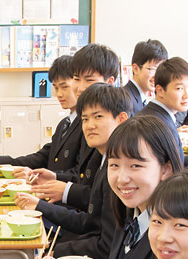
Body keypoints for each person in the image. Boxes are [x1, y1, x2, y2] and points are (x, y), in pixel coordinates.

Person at [32, 115, 183, 259]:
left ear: (166, 169)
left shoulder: (171, 238)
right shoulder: (130, 219)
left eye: (136, 166)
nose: (122, 178)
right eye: (114, 165)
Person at [16, 83, 130, 259]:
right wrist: (38, 205)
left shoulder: (119, 170)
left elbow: (106, 244)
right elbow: (90, 222)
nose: (90, 125)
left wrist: (57, 253)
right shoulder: (101, 159)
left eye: (98, 117)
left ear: (121, 119)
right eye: (85, 119)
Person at [26, 43, 121, 206]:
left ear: (110, 81)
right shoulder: (74, 121)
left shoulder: (112, 131)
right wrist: (55, 178)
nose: (81, 87)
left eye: (89, 80)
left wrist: (63, 190)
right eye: (77, 79)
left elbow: (98, 200)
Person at [0, 55, 81, 173]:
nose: (59, 94)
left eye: (64, 87)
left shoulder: (86, 126)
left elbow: (78, 172)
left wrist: (39, 176)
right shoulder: (64, 124)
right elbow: (43, 157)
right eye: (56, 88)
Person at [136, 58, 188, 170]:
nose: (187, 95)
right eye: (179, 88)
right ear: (160, 91)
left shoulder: (154, 113)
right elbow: (177, 179)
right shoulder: (159, 124)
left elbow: (167, 163)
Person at [125, 39, 169, 114]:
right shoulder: (126, 100)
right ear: (136, 69)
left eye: (160, 69)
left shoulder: (141, 98)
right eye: (153, 69)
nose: (157, 75)